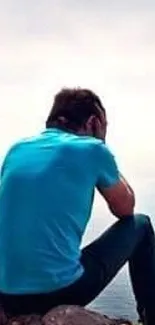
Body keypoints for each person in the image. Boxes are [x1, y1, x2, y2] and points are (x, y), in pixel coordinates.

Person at [0, 88, 154, 325]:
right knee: (141, 225)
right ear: (94, 122)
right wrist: (102, 146)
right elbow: (125, 209)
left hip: (6, 296)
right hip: (58, 293)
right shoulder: (92, 149)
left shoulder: (16, 149)